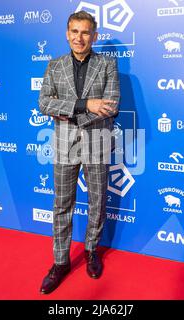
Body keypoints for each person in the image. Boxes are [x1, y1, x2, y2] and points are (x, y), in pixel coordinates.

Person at [38, 10, 120, 294]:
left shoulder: (108, 65)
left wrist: (68, 112)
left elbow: (111, 106)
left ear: (94, 36)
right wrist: (85, 106)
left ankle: (92, 251)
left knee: (97, 201)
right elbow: (44, 104)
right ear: (67, 33)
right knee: (62, 205)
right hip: (64, 145)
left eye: (85, 32)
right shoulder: (54, 65)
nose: (79, 37)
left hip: (97, 143)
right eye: (74, 31)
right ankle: (60, 262)